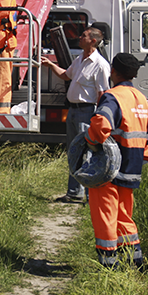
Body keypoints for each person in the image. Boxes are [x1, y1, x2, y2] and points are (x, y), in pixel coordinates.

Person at [85, 52, 148, 269]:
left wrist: (89, 142)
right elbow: (147, 135)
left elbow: (101, 123)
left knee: (105, 215)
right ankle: (135, 261)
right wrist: (143, 157)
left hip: (110, 169)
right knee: (124, 215)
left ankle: (109, 265)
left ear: (113, 71)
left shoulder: (112, 96)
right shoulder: (141, 98)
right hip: (132, 167)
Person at [41, 27, 110, 203]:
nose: (80, 38)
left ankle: (87, 194)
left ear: (93, 41)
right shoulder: (80, 59)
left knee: (85, 152)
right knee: (74, 151)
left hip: (87, 112)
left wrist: (99, 117)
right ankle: (74, 192)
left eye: (84, 36)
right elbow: (66, 75)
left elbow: (103, 93)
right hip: (73, 111)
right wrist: (50, 65)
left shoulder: (100, 65)